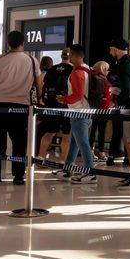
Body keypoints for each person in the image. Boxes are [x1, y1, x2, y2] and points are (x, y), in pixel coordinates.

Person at [0, 30, 40, 185]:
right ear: (23, 43)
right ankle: (19, 175)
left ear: (8, 43)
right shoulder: (32, 60)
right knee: (19, 142)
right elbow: (39, 83)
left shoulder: (0, 60)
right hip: (21, 106)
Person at [57, 44, 97, 184]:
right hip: (86, 111)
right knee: (75, 141)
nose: (69, 57)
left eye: (70, 54)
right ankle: (68, 169)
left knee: (83, 143)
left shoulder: (77, 73)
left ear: (74, 55)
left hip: (79, 112)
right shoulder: (87, 69)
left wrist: (64, 99)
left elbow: (78, 95)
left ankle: (90, 172)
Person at [108, 38, 130, 190]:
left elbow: (127, 91)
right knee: (128, 141)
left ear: (115, 49)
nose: (110, 52)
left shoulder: (125, 66)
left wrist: (115, 102)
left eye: (111, 49)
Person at [37, 49, 73, 167]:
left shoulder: (52, 69)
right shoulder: (72, 70)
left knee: (49, 132)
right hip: (67, 106)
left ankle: (40, 158)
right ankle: (63, 162)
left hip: (51, 106)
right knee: (66, 135)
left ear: (61, 56)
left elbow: (45, 87)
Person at [88, 61, 112, 160]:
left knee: (93, 130)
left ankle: (90, 150)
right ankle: (101, 151)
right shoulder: (104, 80)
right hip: (103, 109)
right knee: (101, 130)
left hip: (93, 107)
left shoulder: (91, 77)